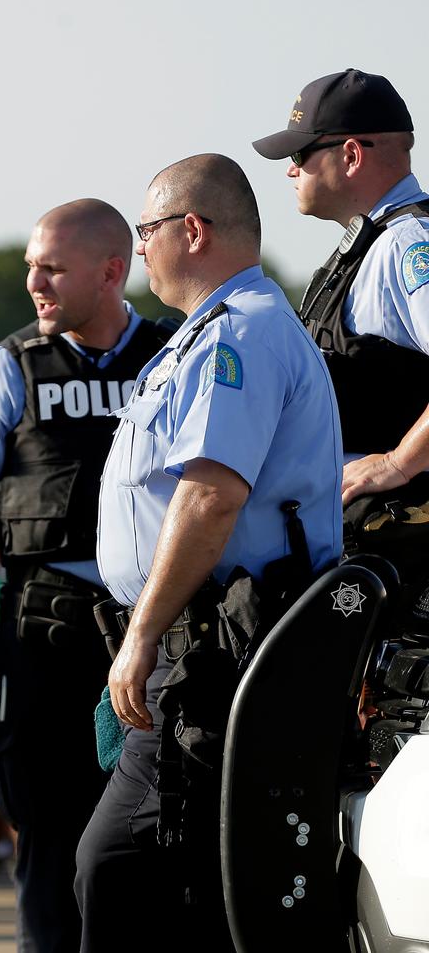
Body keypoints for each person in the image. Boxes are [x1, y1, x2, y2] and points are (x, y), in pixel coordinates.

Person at [73, 154, 343, 953]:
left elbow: (210, 496)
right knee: (176, 883)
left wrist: (143, 634)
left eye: (146, 230)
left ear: (191, 230)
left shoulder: (241, 334)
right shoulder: (212, 333)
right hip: (195, 645)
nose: (140, 248)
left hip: (211, 650)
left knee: (118, 869)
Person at [0, 198, 170, 952]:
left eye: (53, 269)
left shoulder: (174, 357)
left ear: (112, 272)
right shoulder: (2, 372)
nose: (34, 283)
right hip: (40, 645)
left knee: (157, 855)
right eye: (31, 266)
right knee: (48, 848)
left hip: (156, 638)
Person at [251, 69, 429, 507]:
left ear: (350, 155)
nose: (291, 169)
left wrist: (399, 462)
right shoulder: (373, 244)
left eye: (301, 153)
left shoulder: (407, 244)